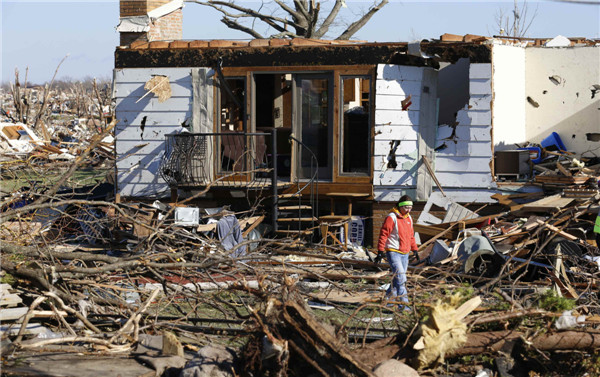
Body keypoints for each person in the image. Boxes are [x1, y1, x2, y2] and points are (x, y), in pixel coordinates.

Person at [376, 195, 418, 310]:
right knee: (401, 279)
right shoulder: (392, 217)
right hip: (393, 251)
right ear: (400, 206)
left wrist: (415, 249)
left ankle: (388, 301)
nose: (408, 210)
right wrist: (380, 251)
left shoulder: (409, 218)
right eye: (406, 208)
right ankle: (404, 306)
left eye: (410, 208)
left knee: (397, 279)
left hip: (405, 253)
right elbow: (383, 234)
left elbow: (411, 236)